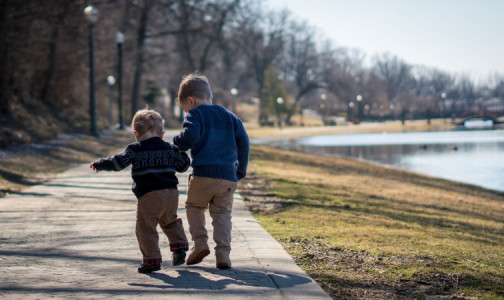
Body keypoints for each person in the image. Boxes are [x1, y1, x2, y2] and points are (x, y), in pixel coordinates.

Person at [90, 108, 190, 273]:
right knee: (170, 221)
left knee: (145, 228)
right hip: (171, 194)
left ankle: (152, 260)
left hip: (149, 195)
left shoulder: (134, 149)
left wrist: (101, 164)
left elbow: (118, 163)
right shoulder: (169, 148)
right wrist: (183, 153)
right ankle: (179, 247)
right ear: (161, 133)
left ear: (135, 133)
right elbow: (183, 166)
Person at [173, 74, 249, 269]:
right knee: (223, 214)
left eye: (184, 108)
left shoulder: (195, 114)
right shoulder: (230, 116)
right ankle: (223, 254)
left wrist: (177, 142)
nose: (186, 112)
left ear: (191, 101)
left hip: (203, 174)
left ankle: (200, 243)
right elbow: (244, 142)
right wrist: (240, 171)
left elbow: (189, 137)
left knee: (194, 206)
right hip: (227, 177)